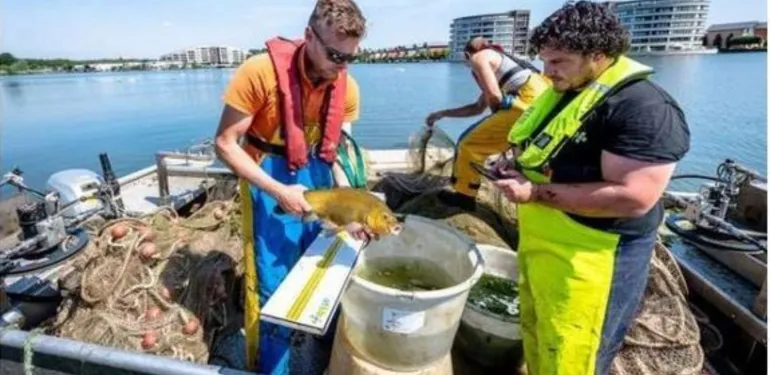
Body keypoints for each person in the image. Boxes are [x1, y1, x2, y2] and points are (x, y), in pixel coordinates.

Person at [491, 2, 690, 374]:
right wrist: (513, 164)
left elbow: (634, 198)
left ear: (599, 55)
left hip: (594, 260)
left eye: (558, 61)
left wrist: (534, 194)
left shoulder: (644, 108)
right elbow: (540, 147)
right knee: (539, 339)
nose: (546, 72)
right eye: (544, 60)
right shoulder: (568, 91)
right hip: (544, 247)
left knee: (574, 355)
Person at [213, 1, 370, 374]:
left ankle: (322, 349)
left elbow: (339, 154)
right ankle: (274, 365)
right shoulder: (258, 72)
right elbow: (224, 145)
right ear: (308, 36)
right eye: (334, 54)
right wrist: (279, 191)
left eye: (350, 57)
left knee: (327, 263)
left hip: (318, 169)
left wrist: (354, 207)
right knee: (274, 280)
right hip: (269, 174)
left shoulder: (347, 86)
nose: (341, 65)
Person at [424, 36, 550, 210]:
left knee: (469, 143)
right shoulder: (502, 64)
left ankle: (464, 196)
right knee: (519, 156)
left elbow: (494, 96)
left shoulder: (479, 57)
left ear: (468, 55)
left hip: (526, 102)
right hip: (542, 101)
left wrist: (496, 113)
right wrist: (443, 114)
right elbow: (477, 107)